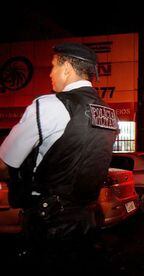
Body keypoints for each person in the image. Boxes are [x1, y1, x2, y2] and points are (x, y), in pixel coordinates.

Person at [0, 43, 118, 272]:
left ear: (67, 68)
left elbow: (5, 163)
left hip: (50, 223)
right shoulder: (108, 113)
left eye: (53, 66)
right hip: (88, 220)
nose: (50, 73)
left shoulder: (48, 105)